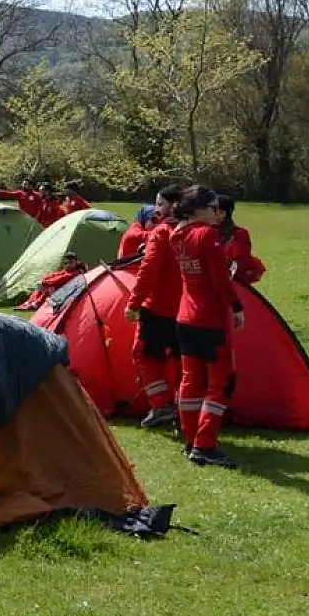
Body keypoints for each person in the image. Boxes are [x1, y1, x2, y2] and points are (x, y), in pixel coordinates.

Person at [171, 186, 244, 469]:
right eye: (213, 207)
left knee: (190, 380)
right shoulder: (208, 235)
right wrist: (237, 307)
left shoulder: (177, 234)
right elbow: (219, 280)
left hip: (184, 318)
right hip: (209, 320)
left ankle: (190, 439)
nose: (218, 213)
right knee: (220, 382)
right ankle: (205, 444)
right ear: (198, 209)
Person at [122, 185, 188, 430]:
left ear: (172, 206)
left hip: (159, 309)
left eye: (159, 204)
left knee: (143, 354)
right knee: (185, 361)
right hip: (190, 310)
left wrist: (134, 303)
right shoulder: (198, 231)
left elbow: (147, 272)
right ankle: (185, 410)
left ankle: (161, 406)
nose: (156, 210)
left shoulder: (162, 233)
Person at [216, 194, 266, 286]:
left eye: (221, 212)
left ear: (229, 212)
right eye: (213, 212)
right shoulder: (205, 231)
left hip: (235, 280)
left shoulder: (240, 234)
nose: (216, 216)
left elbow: (241, 260)